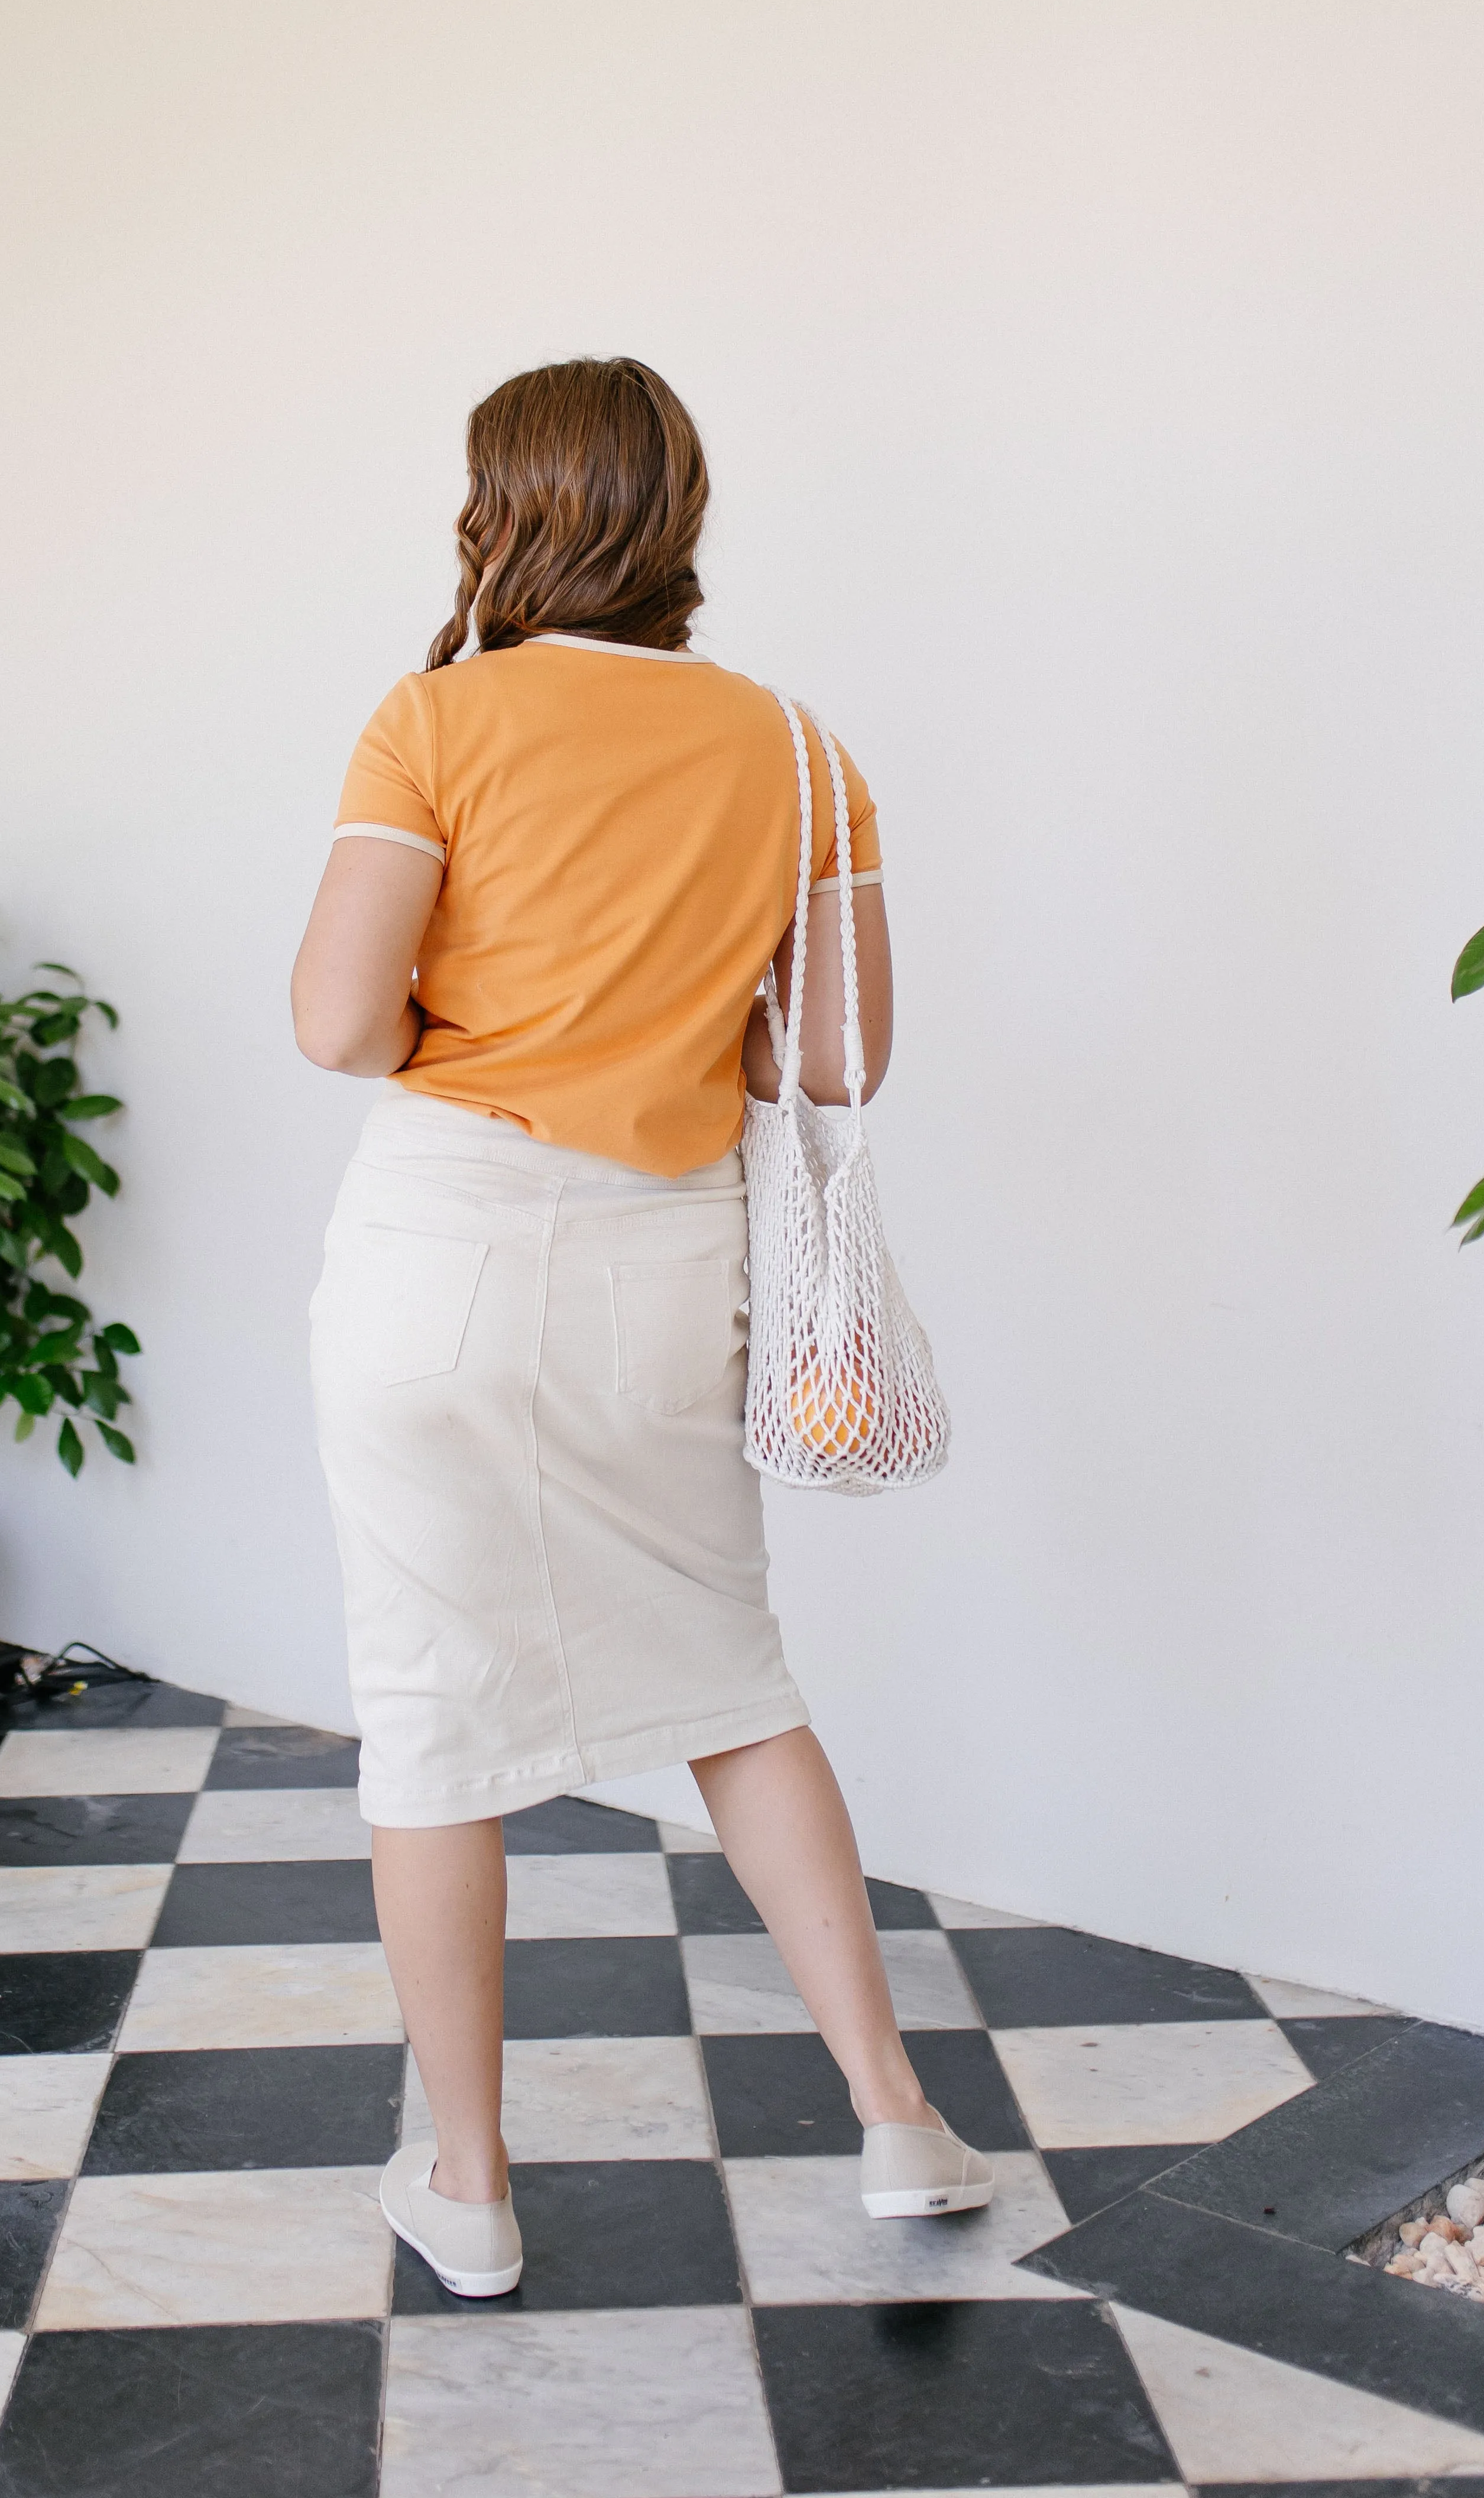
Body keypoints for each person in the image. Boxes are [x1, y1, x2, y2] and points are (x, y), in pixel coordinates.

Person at [290, 355, 987, 2299]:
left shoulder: (432, 724)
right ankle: (897, 2122)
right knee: (734, 1685)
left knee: (430, 1718)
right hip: (667, 1275)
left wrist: (486, 1028)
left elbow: (340, 1023)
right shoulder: (795, 745)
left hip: (440, 1257)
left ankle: (472, 2184)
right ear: (681, 514)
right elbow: (842, 1056)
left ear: (499, 508)